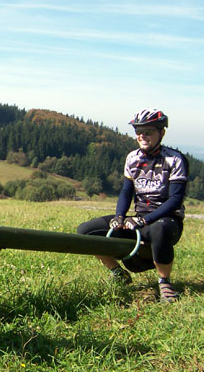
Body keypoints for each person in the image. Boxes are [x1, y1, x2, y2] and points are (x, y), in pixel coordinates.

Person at [77, 108, 188, 303]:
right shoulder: (133, 158)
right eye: (139, 132)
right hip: (138, 219)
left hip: (166, 219)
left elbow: (175, 200)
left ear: (161, 133)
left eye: (148, 131)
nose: (142, 136)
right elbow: (126, 192)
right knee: (85, 231)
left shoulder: (175, 159)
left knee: (160, 229)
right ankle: (118, 273)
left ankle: (165, 283)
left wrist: (145, 220)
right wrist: (119, 216)